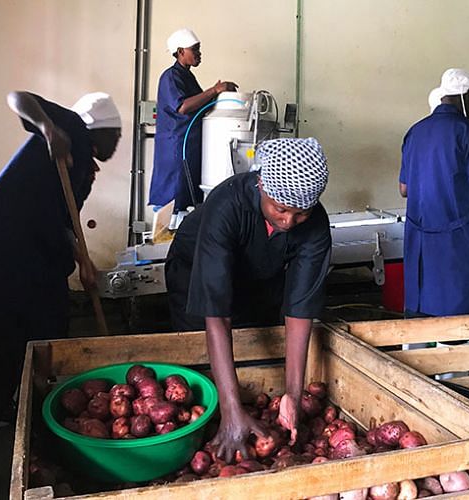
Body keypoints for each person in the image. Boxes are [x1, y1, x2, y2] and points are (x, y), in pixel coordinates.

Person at [0, 91, 122, 424]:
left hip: (26, 248)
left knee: (37, 329)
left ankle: (9, 407)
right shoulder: (69, 129)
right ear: (98, 129)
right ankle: (42, 407)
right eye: (115, 132)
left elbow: (65, 223)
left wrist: (83, 260)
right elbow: (18, 97)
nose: (117, 140)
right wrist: (47, 128)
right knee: (37, 328)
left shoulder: (83, 171)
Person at [164, 137, 331, 461]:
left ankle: (237, 410)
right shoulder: (227, 204)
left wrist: (292, 395)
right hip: (195, 274)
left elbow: (299, 310)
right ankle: (222, 415)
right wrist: (230, 410)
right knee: (198, 359)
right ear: (261, 185)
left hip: (257, 281)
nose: (287, 222)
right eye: (280, 209)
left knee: (254, 347)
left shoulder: (315, 226)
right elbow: (216, 314)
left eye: (300, 214)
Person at [399, 68, 469, 317]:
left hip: (419, 236)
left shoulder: (415, 131)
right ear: (466, 96)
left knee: (419, 311)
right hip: (454, 238)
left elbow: (404, 189)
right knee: (456, 313)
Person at [148, 28, 238, 228]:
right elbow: (183, 106)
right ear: (180, 52)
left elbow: (202, 106)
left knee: (188, 199)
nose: (199, 54)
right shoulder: (170, 77)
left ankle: (180, 238)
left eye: (199, 49)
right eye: (194, 49)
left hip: (191, 146)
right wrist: (214, 90)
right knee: (172, 198)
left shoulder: (187, 77)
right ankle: (164, 240)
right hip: (176, 146)